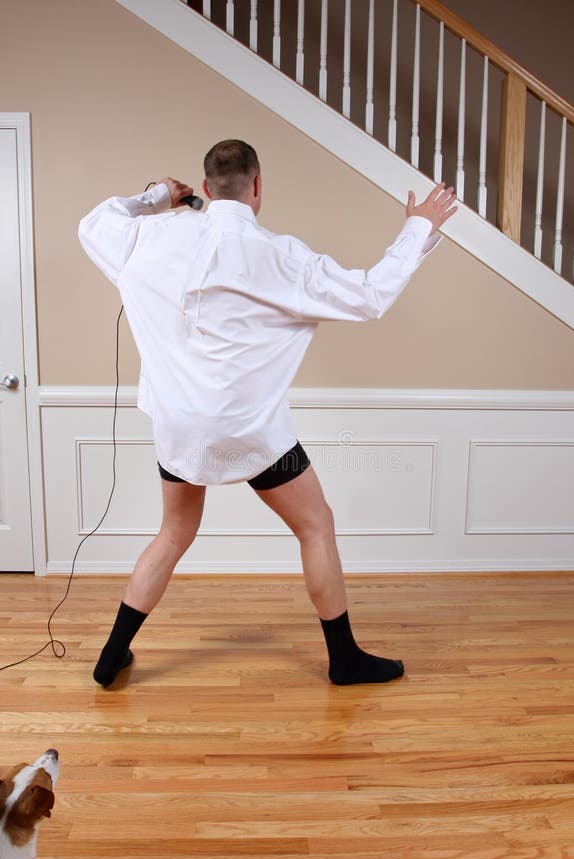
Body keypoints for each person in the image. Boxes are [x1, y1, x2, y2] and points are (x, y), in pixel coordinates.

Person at [78, 139, 456, 688]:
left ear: (206, 188)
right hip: (250, 431)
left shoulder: (145, 237)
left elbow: (95, 222)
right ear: (257, 187)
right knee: (315, 525)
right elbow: (370, 295)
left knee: (174, 532)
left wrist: (157, 194)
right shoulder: (282, 256)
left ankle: (111, 657)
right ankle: (344, 659)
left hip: (179, 425)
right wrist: (418, 226)